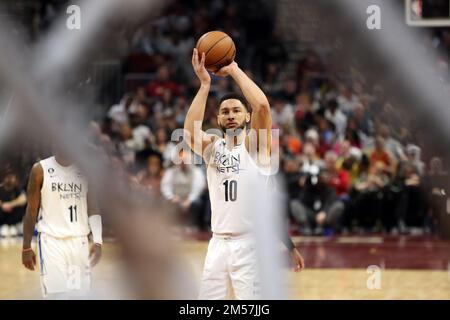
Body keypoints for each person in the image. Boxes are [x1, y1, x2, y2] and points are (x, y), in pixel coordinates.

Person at [184, 48, 304, 300]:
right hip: (217, 244)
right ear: (217, 119)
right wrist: (205, 84)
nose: (230, 115)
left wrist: (234, 70)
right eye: (225, 111)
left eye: (236, 110)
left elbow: (261, 105)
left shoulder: (254, 145)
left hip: (249, 245)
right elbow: (189, 133)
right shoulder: (212, 147)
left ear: (247, 116)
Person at [21, 151, 103, 298]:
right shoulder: (40, 169)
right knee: (57, 295)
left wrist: (97, 241)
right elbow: (31, 210)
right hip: (51, 241)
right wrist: (26, 247)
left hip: (79, 242)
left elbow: (93, 208)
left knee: (78, 295)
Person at [0, 171, 27, 237]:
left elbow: (23, 199)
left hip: (15, 220)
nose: (10, 179)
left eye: (12, 177)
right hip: (3, 220)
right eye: (8, 177)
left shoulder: (18, 189)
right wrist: (2, 205)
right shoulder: (1, 188)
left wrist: (10, 204)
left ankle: (16, 227)